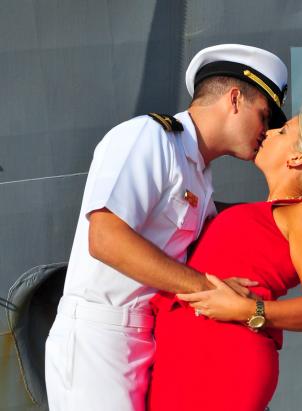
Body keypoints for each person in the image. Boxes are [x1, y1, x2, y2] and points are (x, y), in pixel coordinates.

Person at [44, 44, 289, 411]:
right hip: (100, 338)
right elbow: (105, 238)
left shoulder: (199, 174)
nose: (266, 132)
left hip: (145, 339)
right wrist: (208, 287)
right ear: (235, 99)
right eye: (264, 116)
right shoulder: (150, 138)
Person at [147, 111, 302, 411]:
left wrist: (246, 309)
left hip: (223, 362)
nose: (268, 132)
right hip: (184, 360)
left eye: (282, 131)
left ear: (297, 158)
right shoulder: (259, 212)